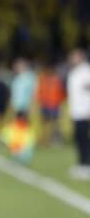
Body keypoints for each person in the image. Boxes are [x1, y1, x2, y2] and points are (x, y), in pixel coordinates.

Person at [66, 49, 90, 180]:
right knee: (79, 139)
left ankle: (87, 164)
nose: (72, 59)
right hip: (76, 111)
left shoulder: (86, 71)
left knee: (85, 139)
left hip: (85, 111)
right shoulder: (74, 72)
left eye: (74, 56)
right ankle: (81, 164)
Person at [36, 62, 65, 146]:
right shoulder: (43, 79)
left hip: (54, 104)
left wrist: (59, 102)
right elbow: (40, 92)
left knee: (55, 123)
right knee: (45, 122)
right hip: (45, 104)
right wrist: (41, 101)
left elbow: (61, 92)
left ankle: (56, 139)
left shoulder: (56, 80)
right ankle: (45, 140)